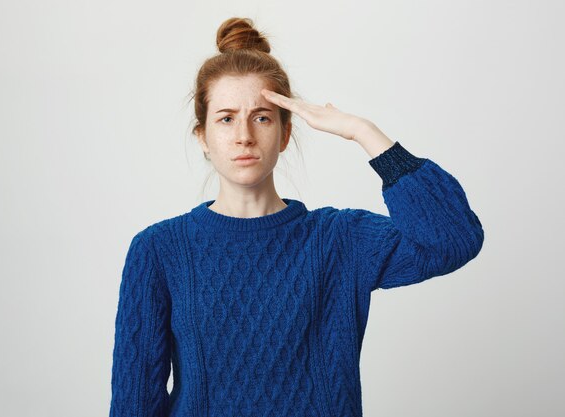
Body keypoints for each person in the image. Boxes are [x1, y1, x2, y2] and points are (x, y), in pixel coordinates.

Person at [108, 17, 484, 417]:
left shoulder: (338, 239)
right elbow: (135, 405)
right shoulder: (159, 250)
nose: (244, 136)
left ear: (286, 133)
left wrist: (362, 132)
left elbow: (453, 240)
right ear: (202, 136)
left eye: (262, 117)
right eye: (226, 118)